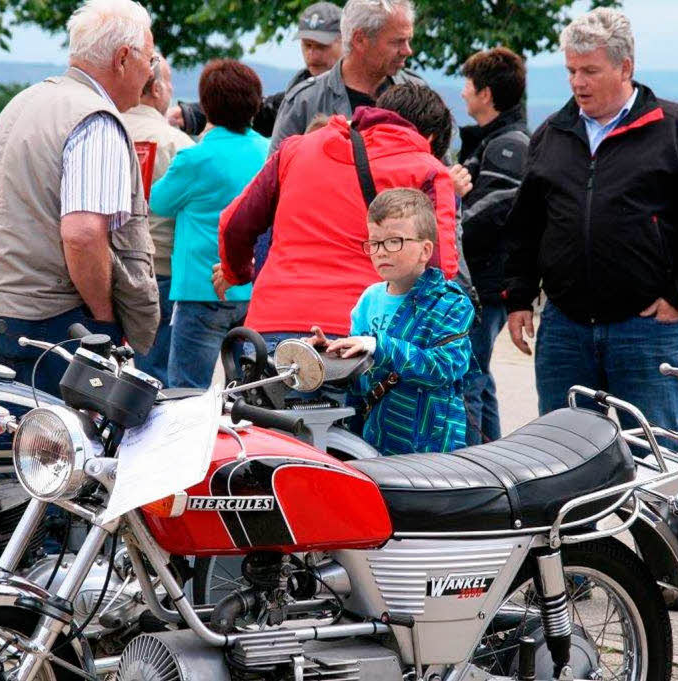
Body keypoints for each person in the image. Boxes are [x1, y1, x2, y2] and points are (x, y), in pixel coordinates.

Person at [502, 8, 678, 439]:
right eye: (570, 70)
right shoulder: (551, 134)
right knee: (562, 455)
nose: (577, 82)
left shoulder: (677, 128)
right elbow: (526, 225)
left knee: (659, 455)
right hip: (565, 330)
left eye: (590, 70)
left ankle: (657, 512)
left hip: (648, 332)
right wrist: (518, 297)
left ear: (625, 67)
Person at [0, 0, 159, 397]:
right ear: (123, 58)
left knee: (11, 451)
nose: (150, 72)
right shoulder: (95, 120)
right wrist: (102, 322)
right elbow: (83, 234)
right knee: (76, 452)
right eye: (149, 58)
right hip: (47, 319)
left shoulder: (26, 100)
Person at [216, 83, 459, 358]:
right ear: (431, 137)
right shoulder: (429, 171)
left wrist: (237, 273)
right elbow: (438, 269)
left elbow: (234, 224)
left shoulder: (296, 149)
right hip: (364, 334)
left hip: (272, 326)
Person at [308, 188, 474, 455]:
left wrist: (379, 346)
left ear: (425, 250)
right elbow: (360, 371)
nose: (381, 252)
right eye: (374, 242)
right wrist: (329, 353)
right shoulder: (369, 299)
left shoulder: (451, 303)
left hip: (429, 450)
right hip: (371, 438)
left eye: (394, 241)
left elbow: (444, 368)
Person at [149, 59, 270, 388]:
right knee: (249, 390)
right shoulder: (270, 151)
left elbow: (158, 202)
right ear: (255, 104)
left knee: (187, 393)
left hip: (200, 290)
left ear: (206, 108)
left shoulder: (195, 158)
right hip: (254, 288)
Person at [457, 47, 529, 444]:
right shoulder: (487, 141)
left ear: (486, 94)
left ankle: (475, 469)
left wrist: (446, 231)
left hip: (487, 282)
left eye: (468, 85)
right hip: (485, 280)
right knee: (479, 380)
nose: (463, 93)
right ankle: (494, 458)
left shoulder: (508, 145)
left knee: (468, 377)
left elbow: (493, 210)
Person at [121, 55, 195, 385]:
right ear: (156, 87)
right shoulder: (177, 144)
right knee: (157, 378)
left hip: (105, 269)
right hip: (161, 274)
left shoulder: (105, 128)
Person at [170, 2, 343, 137]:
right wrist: (194, 114)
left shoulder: (365, 89)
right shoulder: (298, 90)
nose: (312, 55)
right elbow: (253, 110)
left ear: (344, 40)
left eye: (321, 46)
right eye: (307, 45)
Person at [270, 0, 425, 150]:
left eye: (408, 41)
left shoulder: (419, 96)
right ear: (360, 40)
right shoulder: (304, 102)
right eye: (397, 42)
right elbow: (276, 173)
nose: (407, 51)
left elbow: (440, 171)